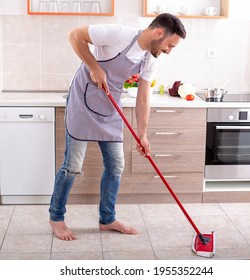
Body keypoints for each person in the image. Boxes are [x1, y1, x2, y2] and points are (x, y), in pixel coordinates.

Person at [49, 13, 187, 241]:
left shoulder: (150, 59)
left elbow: (143, 97)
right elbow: (74, 35)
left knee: (116, 165)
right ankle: (56, 217)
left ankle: (107, 218)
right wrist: (94, 67)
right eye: (169, 45)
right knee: (73, 165)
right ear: (158, 33)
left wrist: (142, 134)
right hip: (82, 99)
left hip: (110, 105)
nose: (169, 51)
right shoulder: (118, 34)